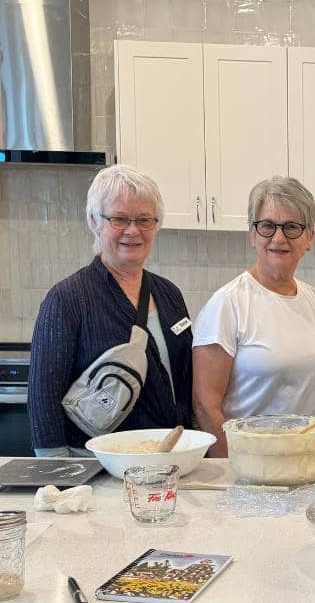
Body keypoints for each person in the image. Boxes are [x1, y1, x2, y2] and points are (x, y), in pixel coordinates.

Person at [28, 164, 193, 456]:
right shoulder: (68, 298)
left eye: (144, 220)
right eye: (119, 219)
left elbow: (185, 382)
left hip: (169, 459)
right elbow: (43, 399)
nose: (133, 231)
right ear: (95, 220)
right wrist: (59, 474)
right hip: (97, 466)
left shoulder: (170, 295)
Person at [192, 176, 315, 458]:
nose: (278, 238)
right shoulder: (228, 304)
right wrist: (234, 472)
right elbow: (205, 404)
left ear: (309, 237)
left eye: (292, 227)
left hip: (311, 466)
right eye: (267, 226)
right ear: (252, 235)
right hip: (251, 470)